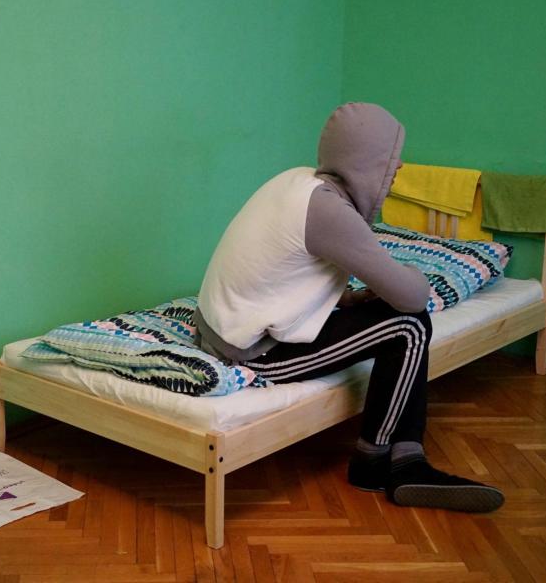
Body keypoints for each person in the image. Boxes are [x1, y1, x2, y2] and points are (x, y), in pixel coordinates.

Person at [194, 103, 503, 512]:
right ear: (368, 164)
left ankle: (407, 457)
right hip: (250, 352)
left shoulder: (296, 182)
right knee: (410, 325)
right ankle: (374, 463)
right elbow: (412, 296)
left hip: (219, 328)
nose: (396, 173)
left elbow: (287, 276)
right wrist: (411, 269)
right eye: (392, 164)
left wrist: (356, 300)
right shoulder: (329, 212)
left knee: (395, 319)